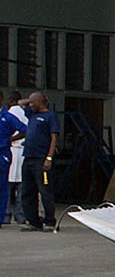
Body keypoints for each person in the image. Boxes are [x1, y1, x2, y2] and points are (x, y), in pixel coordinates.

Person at [18, 92, 60, 232]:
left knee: (45, 190)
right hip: (28, 157)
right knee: (27, 191)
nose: (29, 105)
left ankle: (49, 221)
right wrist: (31, 100)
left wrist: (49, 157)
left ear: (40, 103)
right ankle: (34, 221)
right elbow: (20, 103)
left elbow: (54, 138)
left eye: (33, 103)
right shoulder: (32, 114)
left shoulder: (51, 116)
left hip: (41, 159)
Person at [0, 94, 24, 228]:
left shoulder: (9, 116)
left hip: (3, 153)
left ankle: (3, 216)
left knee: (4, 187)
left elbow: (24, 129)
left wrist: (10, 139)